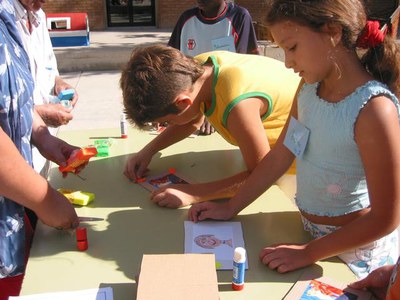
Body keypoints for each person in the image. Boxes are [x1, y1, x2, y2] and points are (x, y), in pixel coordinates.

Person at [188, 0, 400, 279]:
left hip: (355, 258)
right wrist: (231, 206)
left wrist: (308, 253)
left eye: (292, 48)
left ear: (332, 32)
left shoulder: (374, 110)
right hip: (305, 235)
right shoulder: (309, 89)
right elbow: (281, 155)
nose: (287, 63)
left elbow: (386, 218)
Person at [120, 45, 301, 209]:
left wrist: (195, 193)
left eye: (168, 122)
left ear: (183, 102)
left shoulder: (238, 104)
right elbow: (192, 120)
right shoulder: (198, 69)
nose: (168, 126)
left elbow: (263, 174)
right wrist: (148, 151)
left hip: (302, 165)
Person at [0, 1, 82, 298]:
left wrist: (44, 138)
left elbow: (15, 98)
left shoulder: (7, 20)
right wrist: (45, 199)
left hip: (16, 200)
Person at [168, 0, 259, 135]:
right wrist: (166, 108)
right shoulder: (186, 19)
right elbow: (171, 68)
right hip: (190, 104)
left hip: (224, 103)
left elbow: (244, 72)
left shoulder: (239, 17)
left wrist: (213, 112)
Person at [13, 0, 79, 177]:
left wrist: (59, 83)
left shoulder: (38, 15)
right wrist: (39, 113)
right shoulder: (5, 23)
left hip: (41, 151)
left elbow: (48, 67)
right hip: (12, 161)